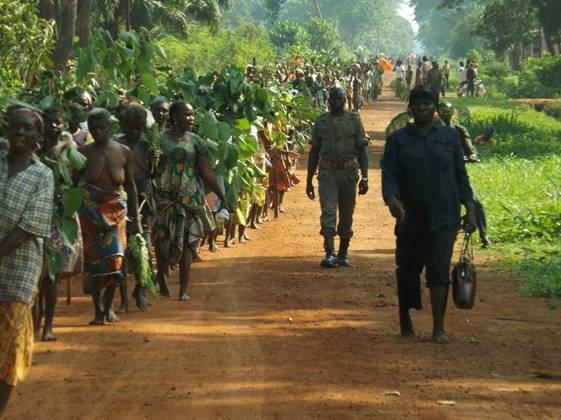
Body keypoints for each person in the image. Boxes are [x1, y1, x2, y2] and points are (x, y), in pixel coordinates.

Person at [381, 87, 476, 343]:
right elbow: (389, 174)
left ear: (435, 107)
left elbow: (460, 175)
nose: (422, 108)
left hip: (444, 215)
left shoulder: (449, 137)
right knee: (408, 269)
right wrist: (392, 199)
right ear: (410, 109)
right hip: (410, 215)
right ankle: (406, 318)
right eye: (417, 104)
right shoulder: (398, 140)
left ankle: (438, 327)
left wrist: (471, 207)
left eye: (426, 104)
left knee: (439, 268)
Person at [0, 108, 54, 414]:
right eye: (14, 128)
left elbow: (28, 228)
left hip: (18, 271)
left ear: (38, 138)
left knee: (9, 347)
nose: (19, 133)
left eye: (27, 129)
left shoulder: (42, 175)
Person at [153, 101, 229, 301]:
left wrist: (222, 197)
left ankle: (183, 288)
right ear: (174, 117)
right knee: (162, 240)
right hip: (165, 198)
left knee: (189, 243)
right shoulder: (159, 140)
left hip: (190, 198)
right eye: (186, 115)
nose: (191, 119)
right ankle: (161, 278)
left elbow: (206, 172)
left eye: (192, 115)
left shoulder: (196, 142)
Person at [77, 108, 141, 325]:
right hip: (90, 212)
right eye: (94, 129)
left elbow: (131, 186)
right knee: (94, 263)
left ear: (110, 127)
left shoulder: (123, 151)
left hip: (116, 213)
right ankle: (98, 310)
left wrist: (137, 220)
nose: (98, 132)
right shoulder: (84, 152)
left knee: (116, 261)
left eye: (103, 128)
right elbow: (74, 183)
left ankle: (108, 303)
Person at [33, 107, 84, 341]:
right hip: (35, 212)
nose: (54, 126)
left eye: (59, 123)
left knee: (52, 273)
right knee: (35, 274)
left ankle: (48, 325)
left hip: (59, 214)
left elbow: (76, 178)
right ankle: (34, 321)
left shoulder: (69, 148)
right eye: (49, 122)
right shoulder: (33, 147)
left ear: (65, 125)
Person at [307, 86, 369, 268]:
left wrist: (365, 177)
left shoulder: (354, 120)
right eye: (332, 99)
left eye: (338, 99)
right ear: (328, 102)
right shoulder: (321, 122)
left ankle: (343, 252)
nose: (335, 102)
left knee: (347, 214)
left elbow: (361, 149)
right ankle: (330, 252)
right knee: (329, 210)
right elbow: (314, 152)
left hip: (349, 173)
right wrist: (309, 180)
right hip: (327, 172)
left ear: (344, 100)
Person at [115, 104, 160, 312]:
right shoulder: (116, 144)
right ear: (123, 125)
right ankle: (124, 298)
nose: (135, 131)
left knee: (144, 247)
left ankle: (140, 291)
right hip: (119, 199)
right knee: (122, 251)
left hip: (143, 198)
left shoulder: (147, 145)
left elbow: (152, 174)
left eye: (139, 128)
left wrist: (155, 160)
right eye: (131, 127)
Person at [438, 102, 492, 247]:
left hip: (458, 175)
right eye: (442, 111)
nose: (445, 114)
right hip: (439, 176)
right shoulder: (434, 131)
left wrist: (473, 155)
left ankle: (484, 236)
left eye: (448, 111)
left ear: (452, 113)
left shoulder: (459, 130)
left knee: (477, 204)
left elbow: (470, 147)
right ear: (438, 113)